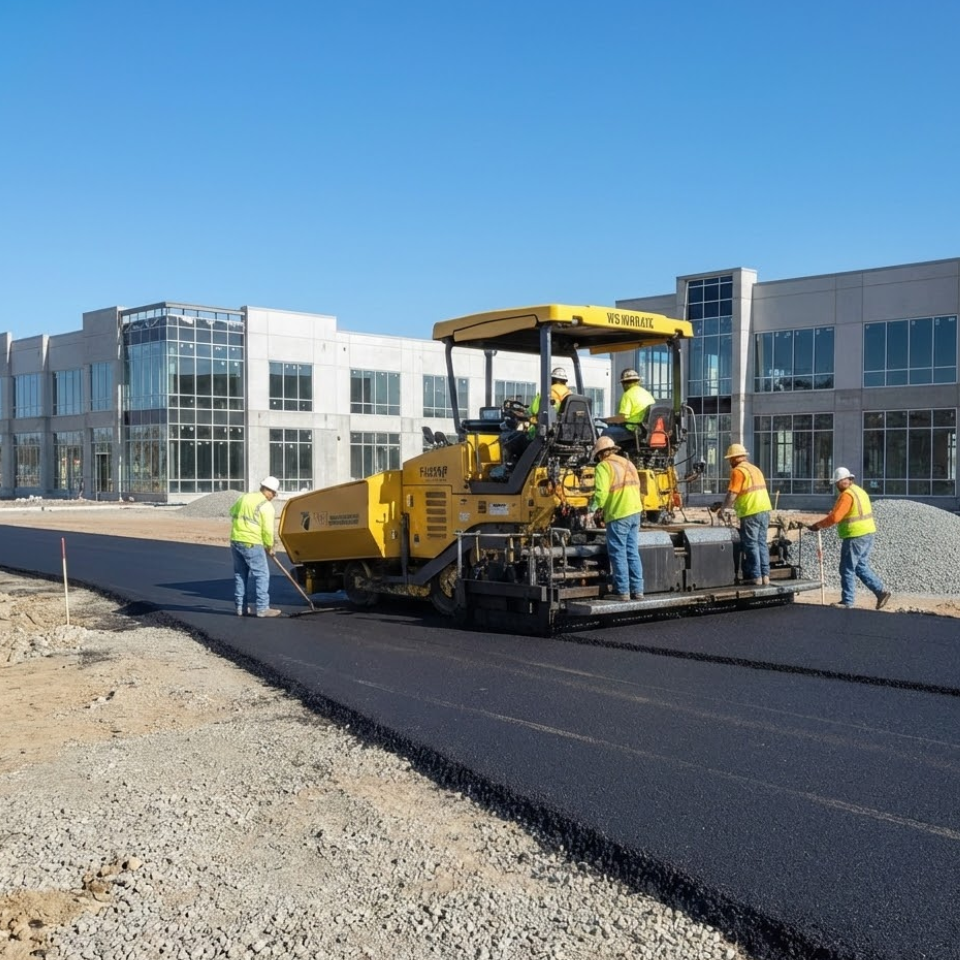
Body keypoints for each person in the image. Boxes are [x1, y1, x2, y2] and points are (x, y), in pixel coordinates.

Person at [806, 467, 891, 610]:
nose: (837, 486)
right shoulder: (859, 491)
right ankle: (880, 592)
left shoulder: (846, 495)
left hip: (854, 535)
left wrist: (818, 525)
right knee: (860, 566)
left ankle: (848, 601)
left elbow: (835, 517)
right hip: (868, 533)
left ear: (846, 480)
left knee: (847, 568)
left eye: (838, 482)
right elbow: (851, 511)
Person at [589, 435, 644, 601]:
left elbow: (601, 494)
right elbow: (637, 485)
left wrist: (591, 509)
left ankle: (622, 591)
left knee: (618, 553)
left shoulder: (603, 466)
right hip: (635, 512)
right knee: (632, 551)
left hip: (619, 514)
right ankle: (638, 590)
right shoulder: (627, 463)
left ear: (600, 454)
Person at [720, 443, 772, 586]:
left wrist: (723, 509)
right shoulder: (755, 469)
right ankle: (766, 576)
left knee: (751, 544)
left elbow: (732, 493)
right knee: (762, 542)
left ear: (733, 458)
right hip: (765, 510)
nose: (729, 462)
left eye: (730, 459)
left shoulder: (738, 471)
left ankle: (756, 577)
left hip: (751, 511)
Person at [230, 476, 283, 618]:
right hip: (252, 542)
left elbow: (232, 513)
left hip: (235, 540)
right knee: (262, 574)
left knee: (240, 574)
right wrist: (270, 546)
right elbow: (267, 530)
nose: (273, 497)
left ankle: (240, 607)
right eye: (274, 494)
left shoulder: (244, 498)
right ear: (270, 491)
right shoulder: (266, 506)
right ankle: (262, 608)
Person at [601, 369, 655, 447]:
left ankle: (607, 453)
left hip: (631, 430)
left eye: (623, 383)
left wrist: (607, 420)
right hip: (643, 430)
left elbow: (622, 418)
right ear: (638, 382)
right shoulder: (646, 394)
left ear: (625, 384)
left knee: (606, 431)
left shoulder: (628, 395)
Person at [527, 367, 572, 436]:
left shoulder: (548, 391)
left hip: (547, 429)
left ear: (552, 379)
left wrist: (527, 411)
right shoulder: (569, 392)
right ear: (565, 381)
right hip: (564, 429)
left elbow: (534, 409)